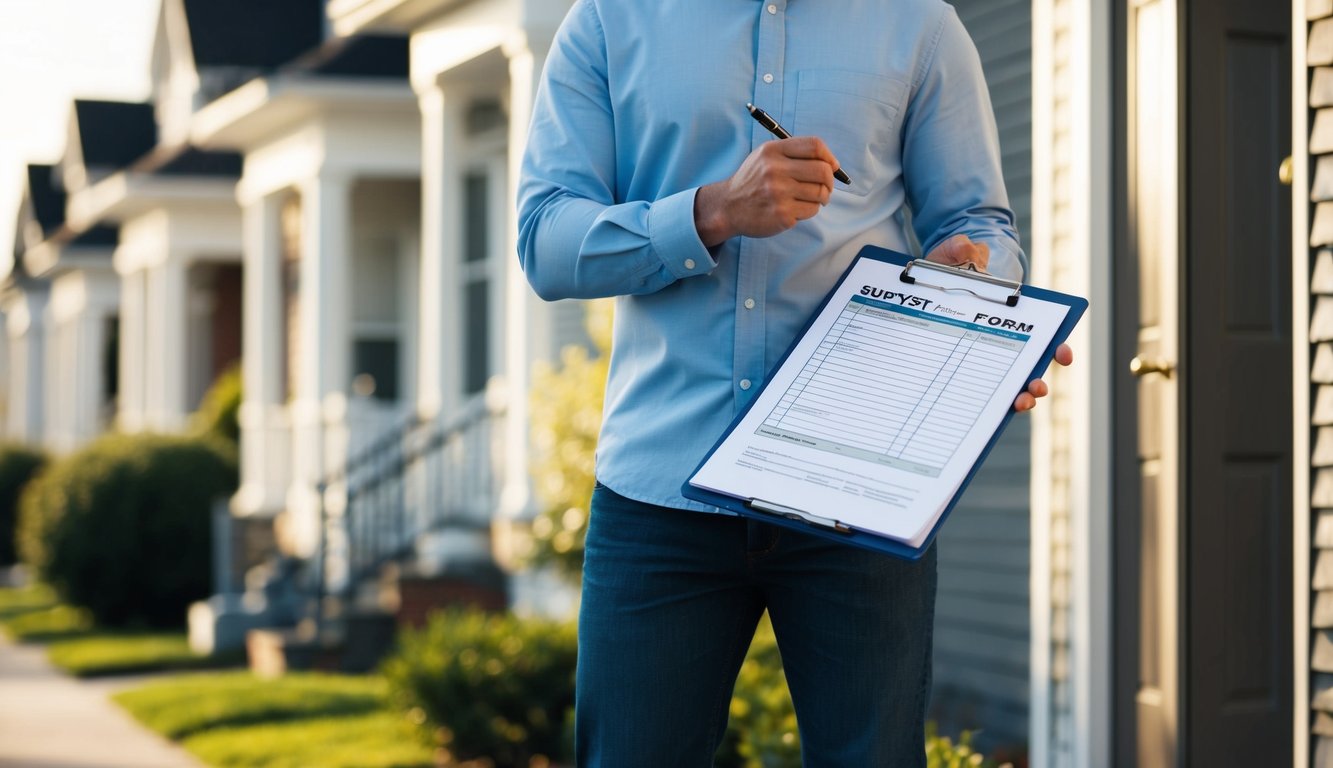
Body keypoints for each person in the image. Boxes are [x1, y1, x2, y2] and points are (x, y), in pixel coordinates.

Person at [517, 1, 1072, 765]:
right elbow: (545, 239)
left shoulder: (919, 24)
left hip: (860, 487)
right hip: (659, 495)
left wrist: (973, 299)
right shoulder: (611, 19)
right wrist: (711, 212)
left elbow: (978, 224)